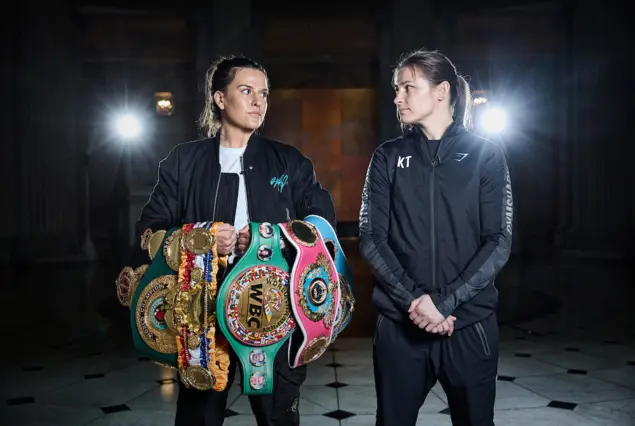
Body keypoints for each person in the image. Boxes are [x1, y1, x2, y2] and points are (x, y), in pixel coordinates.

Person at [135, 55, 335, 426]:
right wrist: (199, 240)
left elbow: (321, 223)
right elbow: (150, 228)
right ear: (220, 98)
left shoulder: (288, 162)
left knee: (278, 417)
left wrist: (271, 237)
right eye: (247, 91)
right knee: (199, 417)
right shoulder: (183, 161)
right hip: (202, 314)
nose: (259, 101)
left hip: (274, 309)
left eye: (264, 93)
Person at [359, 48, 514, 426]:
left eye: (408, 88)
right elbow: (371, 238)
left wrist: (445, 304)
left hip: (469, 324)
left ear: (441, 91)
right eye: (397, 89)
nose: (398, 97)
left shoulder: (486, 156)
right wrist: (417, 302)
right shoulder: (387, 157)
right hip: (400, 326)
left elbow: (498, 242)